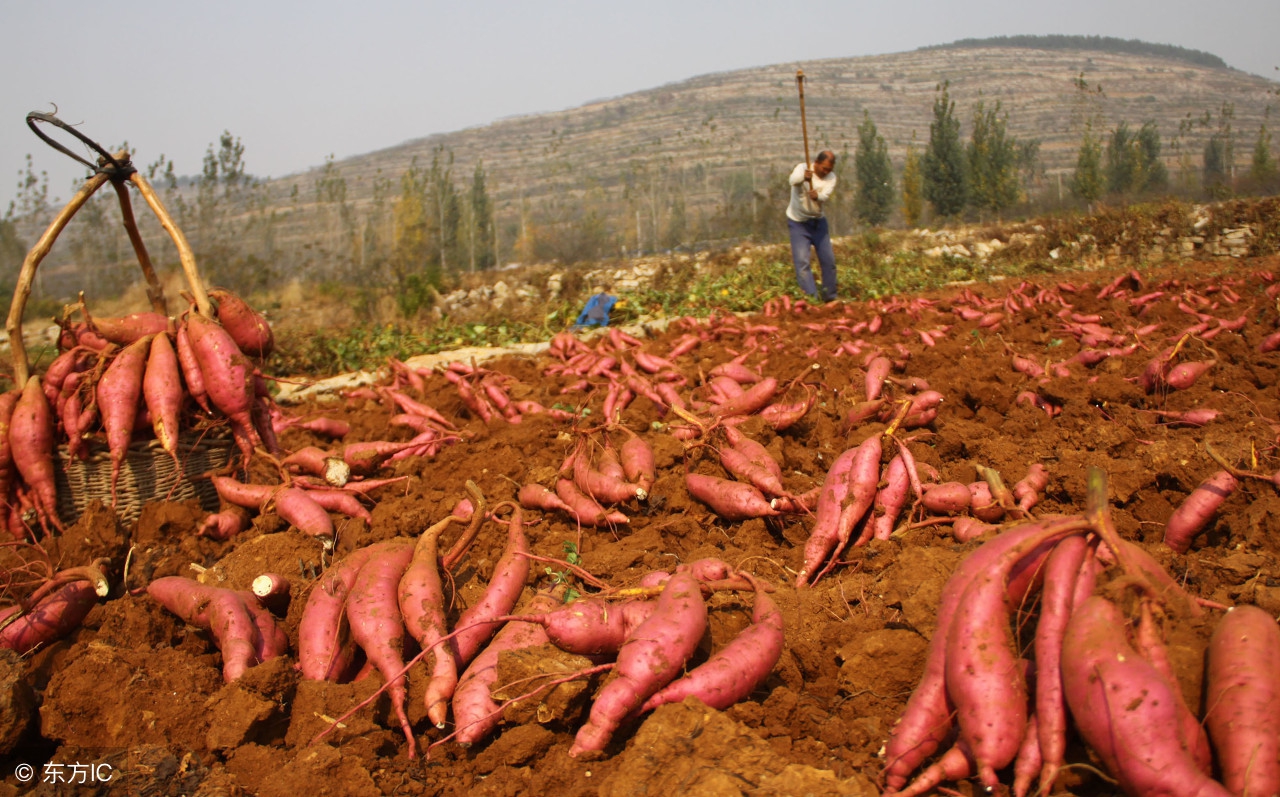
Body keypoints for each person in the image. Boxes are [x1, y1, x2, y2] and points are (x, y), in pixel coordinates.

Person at [785, 150, 838, 302]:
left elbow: (825, 195)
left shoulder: (831, 178)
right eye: (824, 168)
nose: (826, 172)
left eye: (829, 169)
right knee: (802, 263)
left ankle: (830, 298)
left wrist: (818, 197)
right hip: (798, 223)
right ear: (816, 163)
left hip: (818, 223)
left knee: (829, 262)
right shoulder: (802, 168)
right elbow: (792, 180)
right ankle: (811, 300)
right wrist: (804, 178)